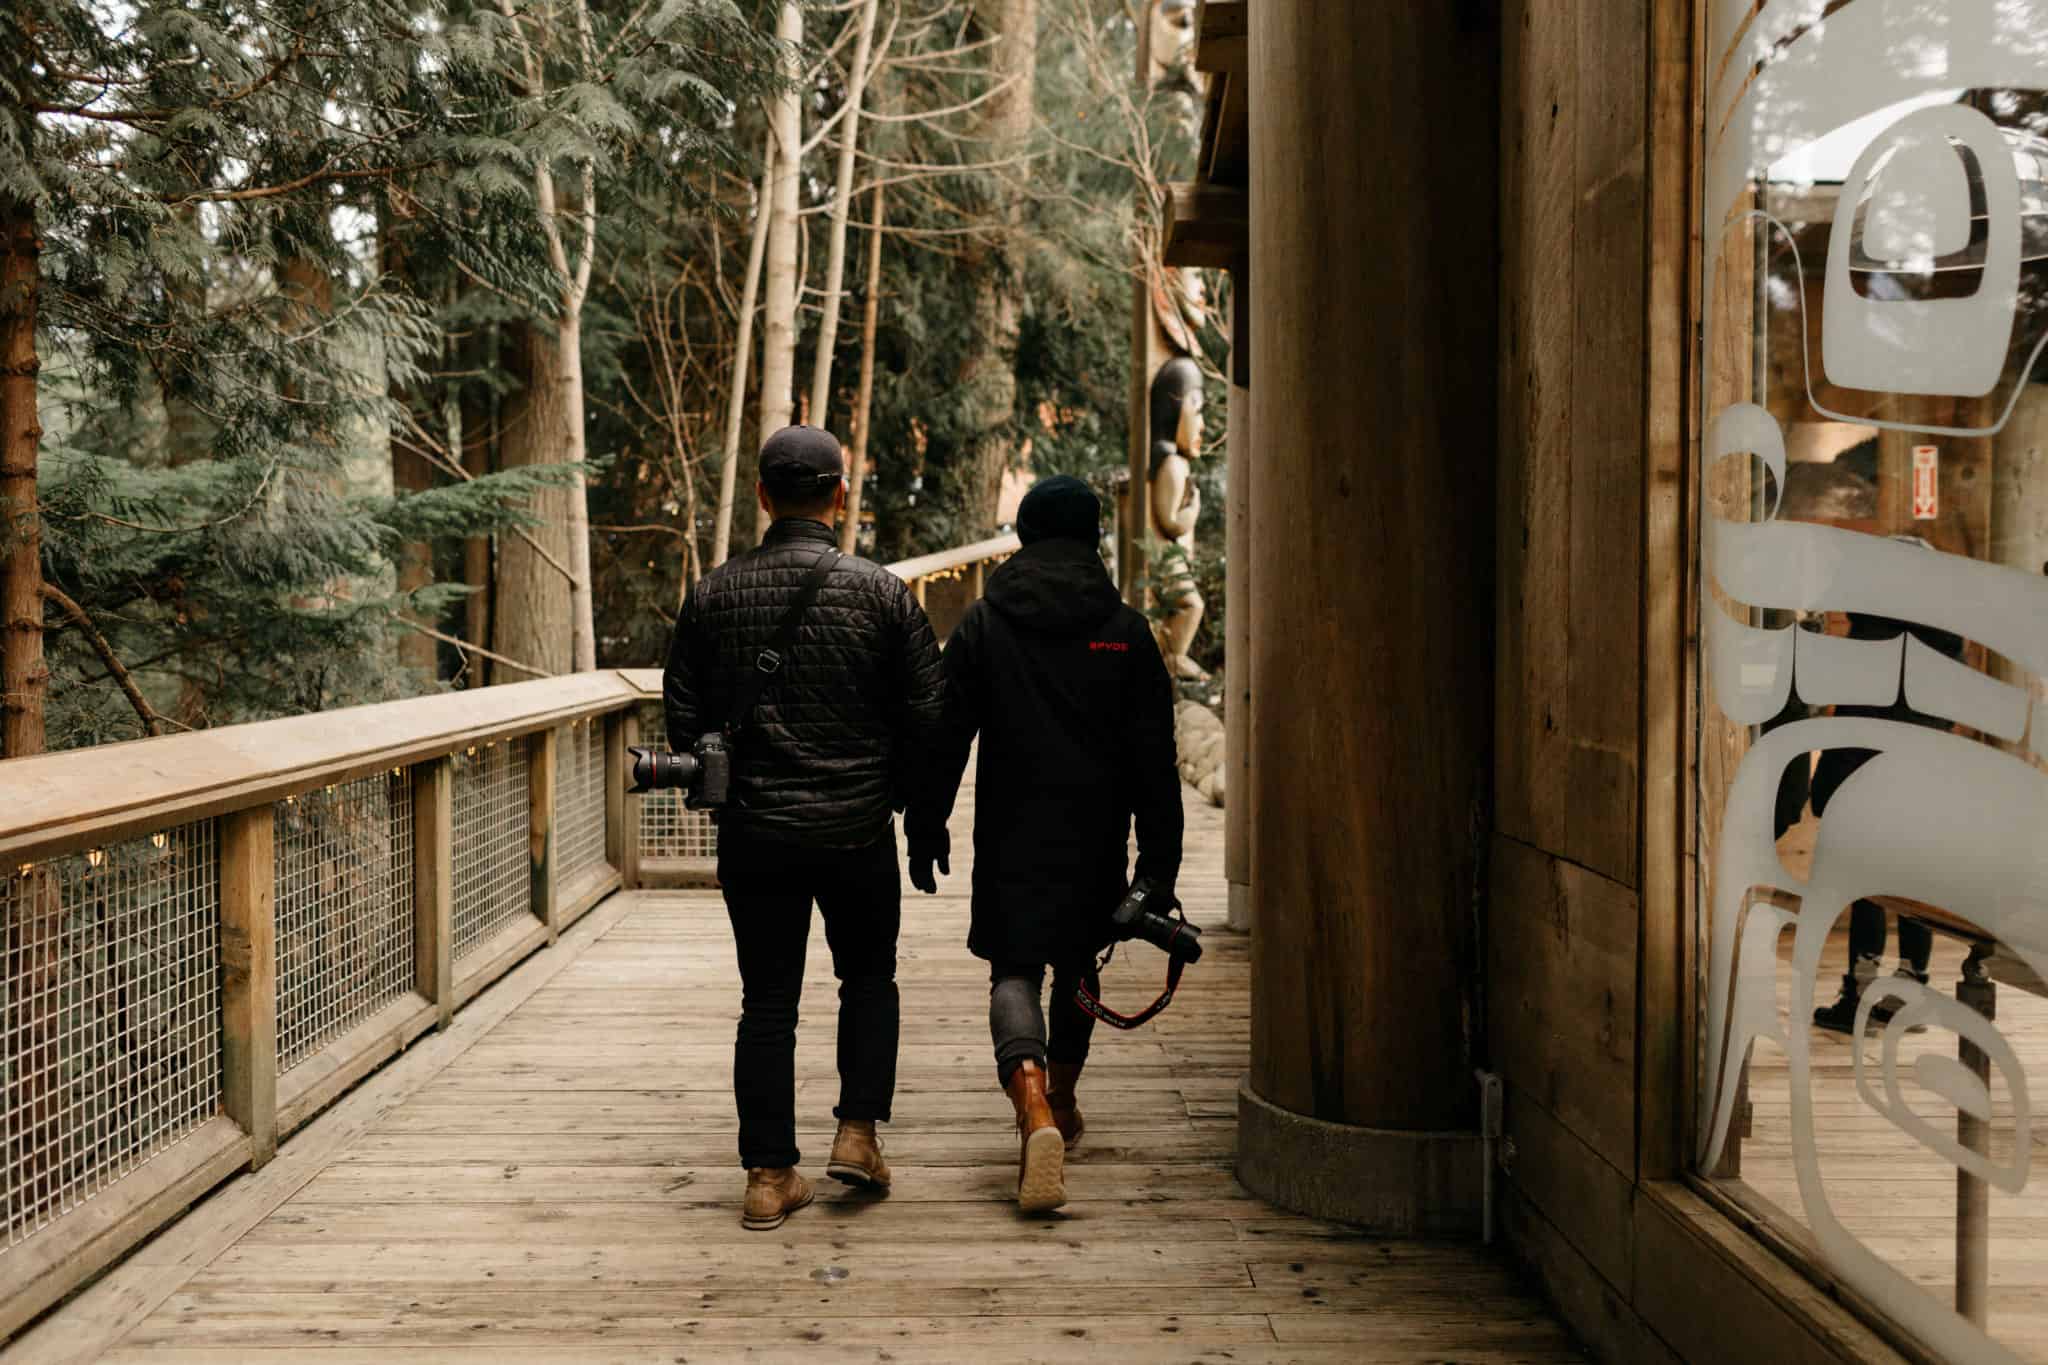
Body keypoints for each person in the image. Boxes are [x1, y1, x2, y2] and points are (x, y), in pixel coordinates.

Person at [662, 424, 944, 1229]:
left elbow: (682, 718)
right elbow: (930, 717)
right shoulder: (884, 593)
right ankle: (857, 1133)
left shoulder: (712, 594)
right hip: (859, 829)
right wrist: (920, 821)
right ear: (839, 494)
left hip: (756, 836)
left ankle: (767, 1174)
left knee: (768, 1002)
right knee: (869, 978)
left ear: (761, 495)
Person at [906, 475, 1183, 1213]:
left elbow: (945, 737)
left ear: (1024, 537)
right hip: (1095, 836)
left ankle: (1029, 1104)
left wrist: (925, 823)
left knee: (1014, 971)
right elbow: (1158, 762)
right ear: (1093, 537)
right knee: (1079, 968)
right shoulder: (1124, 630)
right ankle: (1061, 1097)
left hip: (1010, 832)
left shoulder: (986, 623)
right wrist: (1159, 867)